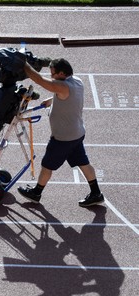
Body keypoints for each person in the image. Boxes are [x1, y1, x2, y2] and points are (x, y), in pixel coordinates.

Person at [17, 58, 104, 207]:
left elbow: (40, 80)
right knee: (84, 163)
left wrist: (24, 64)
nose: (51, 77)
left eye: (53, 74)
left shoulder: (62, 87)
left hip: (63, 139)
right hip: (76, 134)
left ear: (62, 73)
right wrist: (51, 100)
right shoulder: (77, 81)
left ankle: (36, 193)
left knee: (47, 166)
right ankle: (96, 193)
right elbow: (66, 94)